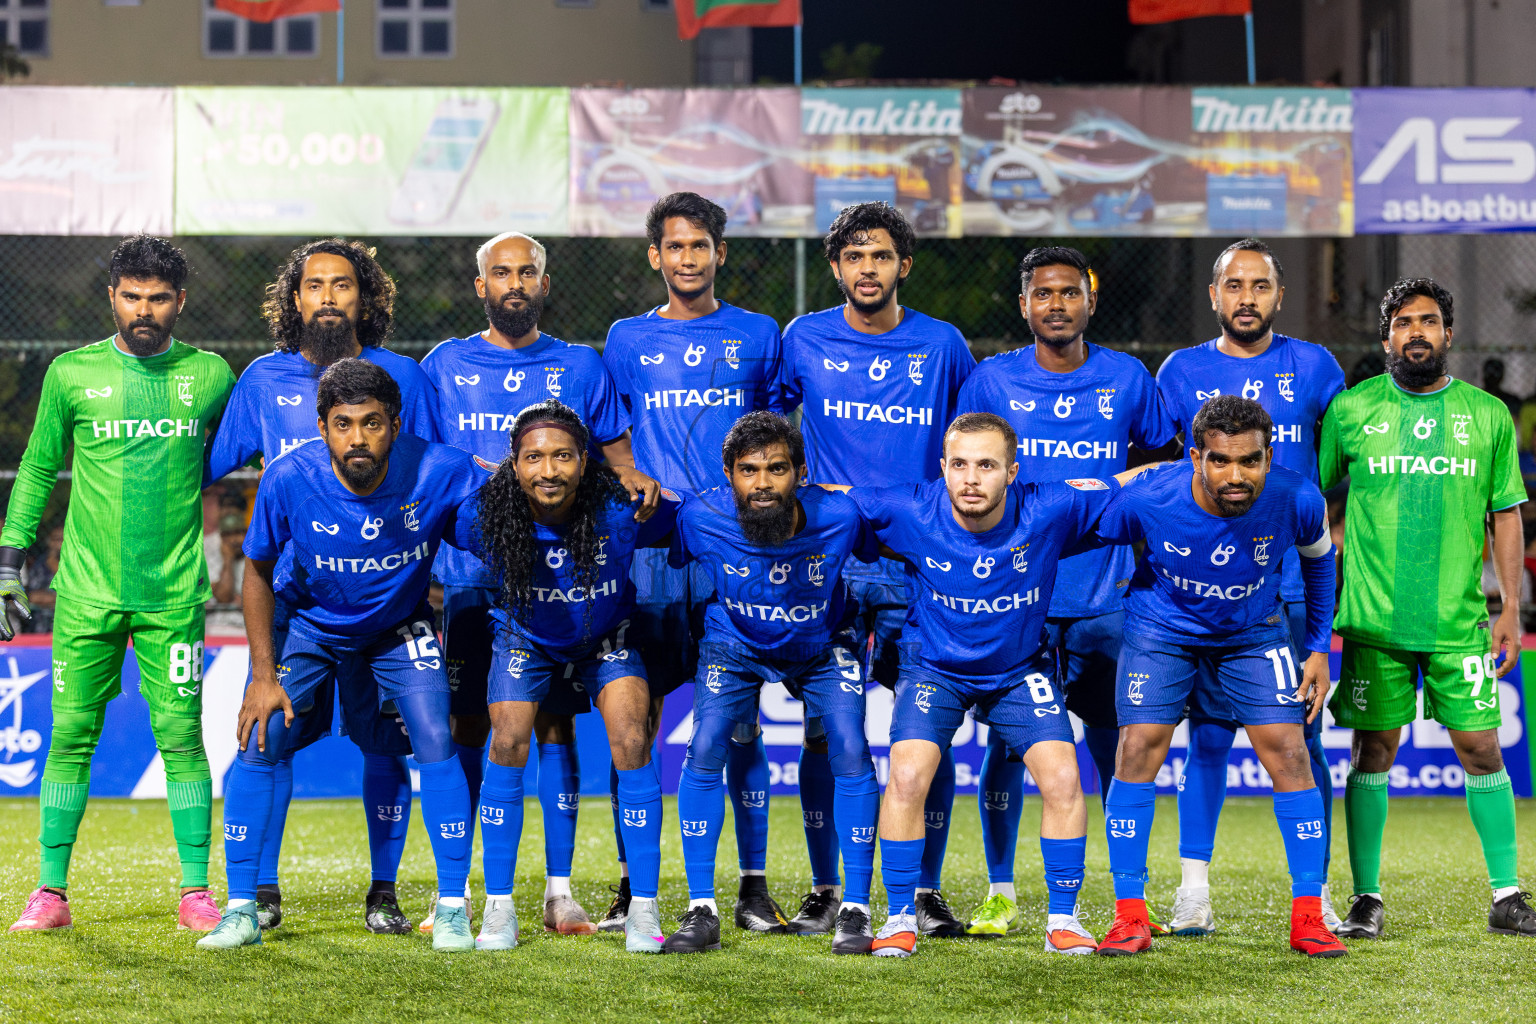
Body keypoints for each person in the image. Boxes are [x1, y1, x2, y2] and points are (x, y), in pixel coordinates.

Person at [198, 359, 483, 952]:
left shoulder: (441, 468)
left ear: (396, 425)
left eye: (373, 423)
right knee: (261, 737)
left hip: (398, 628)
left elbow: (502, 520)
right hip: (309, 627)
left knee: (434, 735)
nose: (359, 438)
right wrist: (260, 675)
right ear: (322, 426)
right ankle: (244, 908)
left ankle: (452, 908)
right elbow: (257, 572)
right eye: (344, 424)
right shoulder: (287, 475)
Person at [421, 231, 658, 936]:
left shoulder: (581, 367)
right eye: (502, 272)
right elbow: (430, 471)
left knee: (557, 728)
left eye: (528, 271)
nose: (515, 282)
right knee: (482, 728)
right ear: (481, 285)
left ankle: (559, 894)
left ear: (545, 285)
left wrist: (637, 482)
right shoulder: (443, 365)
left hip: (571, 581)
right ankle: (457, 897)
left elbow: (617, 462)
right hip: (474, 579)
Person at [838, 412, 1136, 958]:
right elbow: (828, 498)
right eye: (958, 464)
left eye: (986, 465)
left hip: (1019, 672)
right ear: (943, 469)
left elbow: (1131, 482)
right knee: (905, 776)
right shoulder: (908, 507)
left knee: (1064, 777)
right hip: (935, 670)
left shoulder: (1050, 507)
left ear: (1012, 472)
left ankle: (1063, 920)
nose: (970, 478)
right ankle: (901, 915)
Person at [4, 236, 236, 934]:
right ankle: (50, 892)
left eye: (159, 297)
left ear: (181, 301)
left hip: (173, 596)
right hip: (86, 592)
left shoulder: (213, 375)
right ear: (112, 297)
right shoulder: (72, 374)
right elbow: (39, 469)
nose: (145, 309)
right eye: (132, 295)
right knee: (71, 732)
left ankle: (197, 892)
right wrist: (9, 562)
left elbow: (249, 451)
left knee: (182, 735)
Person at [208, 237, 430, 935]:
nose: (329, 297)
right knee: (267, 736)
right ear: (294, 299)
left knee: (386, 746)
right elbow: (206, 467)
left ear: (365, 298)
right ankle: (261, 890)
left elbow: (429, 477)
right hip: (294, 609)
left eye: (343, 285)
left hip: (386, 602)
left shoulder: (404, 377)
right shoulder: (262, 381)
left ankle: (384, 892)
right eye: (315, 285)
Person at [955, 245, 1175, 937]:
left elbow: (1161, 465)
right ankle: (999, 891)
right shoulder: (990, 383)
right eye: (1043, 294)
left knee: (1118, 749)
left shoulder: (1129, 378)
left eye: (1069, 293)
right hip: (1017, 604)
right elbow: (961, 480)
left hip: (1107, 603)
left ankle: (1127, 899)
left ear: (1089, 301)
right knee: (1005, 748)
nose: (1056, 304)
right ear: (1024, 305)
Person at [777, 201, 975, 938]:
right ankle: (829, 887)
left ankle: (922, 889)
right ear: (835, 268)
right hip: (829, 565)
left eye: (881, 256)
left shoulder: (945, 345)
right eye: (854, 256)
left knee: (929, 729)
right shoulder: (803, 338)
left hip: (918, 567)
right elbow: (765, 431)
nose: (868, 268)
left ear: (904, 266)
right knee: (827, 731)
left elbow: (974, 439)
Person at [1093, 395, 1344, 960]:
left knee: (1290, 752)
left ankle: (1309, 917)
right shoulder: (1150, 495)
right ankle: (1129, 917)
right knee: (1137, 751)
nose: (1237, 475)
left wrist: (1317, 648)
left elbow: (1320, 562)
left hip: (1253, 632)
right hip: (1160, 630)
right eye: (1221, 461)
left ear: (1269, 456)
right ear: (1195, 458)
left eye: (1250, 461)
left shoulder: (1297, 497)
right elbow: (1079, 527)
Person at [1322, 278, 1536, 939]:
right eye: (1404, 322)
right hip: (1373, 621)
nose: (1417, 331)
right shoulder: (1351, 411)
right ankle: (1367, 899)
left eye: (1430, 321)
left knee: (1481, 749)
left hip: (1458, 622)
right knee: (1373, 752)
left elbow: (1507, 516)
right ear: (1386, 337)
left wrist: (1508, 609)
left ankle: (1508, 896)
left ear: (1448, 335)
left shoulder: (1488, 415)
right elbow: (1311, 501)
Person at [601, 192, 786, 934]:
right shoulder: (622, 340)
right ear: (656, 256)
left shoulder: (760, 334)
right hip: (646, 556)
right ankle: (630, 884)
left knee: (736, 726)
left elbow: (773, 434)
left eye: (700, 246)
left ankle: (751, 886)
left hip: (729, 553)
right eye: (674, 247)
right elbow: (609, 435)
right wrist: (627, 474)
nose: (687, 259)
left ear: (720, 253)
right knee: (634, 724)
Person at [1155, 238, 1347, 933]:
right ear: (1214, 296)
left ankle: (1315, 890)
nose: (1246, 298)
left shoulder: (1317, 367)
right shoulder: (1179, 371)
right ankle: (1193, 891)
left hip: (1294, 586)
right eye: (1233, 286)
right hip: (1209, 589)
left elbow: (1330, 475)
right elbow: (1161, 473)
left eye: (1259, 286)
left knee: (1306, 740)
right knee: (1206, 736)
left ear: (1279, 295)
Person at [663, 412, 882, 955]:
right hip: (734, 644)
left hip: (821, 645)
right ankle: (703, 908)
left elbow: (888, 547)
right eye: (749, 470)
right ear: (728, 474)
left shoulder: (840, 515)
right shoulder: (699, 516)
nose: (762, 484)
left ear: (801, 473)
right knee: (708, 740)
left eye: (777, 469)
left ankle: (853, 906)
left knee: (850, 747)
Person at [468, 400, 675, 953]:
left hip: (606, 636)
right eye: (533, 457)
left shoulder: (625, 507)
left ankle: (644, 912)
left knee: (633, 738)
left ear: (586, 462)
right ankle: (499, 909)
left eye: (562, 456)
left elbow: (699, 527)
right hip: (524, 636)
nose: (548, 470)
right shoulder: (481, 514)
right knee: (508, 740)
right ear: (513, 465)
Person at [203, 488, 248, 638]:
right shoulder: (208, 545)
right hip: (213, 623)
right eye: (229, 534)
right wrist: (228, 559)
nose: (234, 540)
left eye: (238, 532)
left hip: (244, 624)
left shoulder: (253, 548)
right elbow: (223, 597)